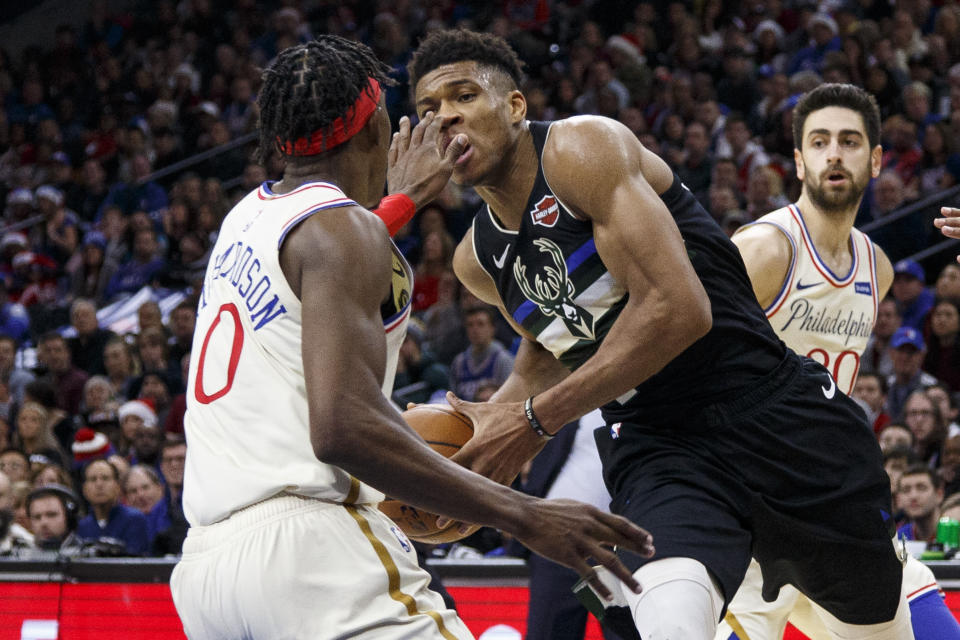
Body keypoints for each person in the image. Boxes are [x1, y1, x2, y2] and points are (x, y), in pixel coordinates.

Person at [410, 32, 909, 639]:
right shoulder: (476, 260)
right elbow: (552, 342)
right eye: (429, 108)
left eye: (463, 95)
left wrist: (534, 421)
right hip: (661, 445)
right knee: (669, 618)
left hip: (776, 415)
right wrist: (478, 454)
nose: (446, 115)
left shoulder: (580, 150)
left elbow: (679, 310)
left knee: (876, 630)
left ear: (515, 106)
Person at [170, 36, 653, 640]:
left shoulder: (248, 216)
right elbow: (342, 427)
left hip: (208, 571)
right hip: (308, 556)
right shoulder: (342, 232)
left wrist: (400, 202)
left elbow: (325, 257)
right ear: (376, 125)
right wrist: (523, 515)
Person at [717, 82, 959, 640]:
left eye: (849, 141)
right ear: (799, 160)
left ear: (875, 160)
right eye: (819, 141)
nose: (833, 153)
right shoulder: (765, 249)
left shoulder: (878, 267)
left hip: (834, 509)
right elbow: (684, 362)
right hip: (751, 520)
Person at [76, 458, 149, 556]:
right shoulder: (82, 526)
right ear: (84, 489)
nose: (99, 484)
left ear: (118, 486)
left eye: (105, 478)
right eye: (93, 479)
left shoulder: (134, 520)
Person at [896, 465, 944, 544]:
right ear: (898, 500)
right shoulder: (899, 538)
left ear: (939, 495)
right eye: (906, 490)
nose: (913, 496)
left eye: (921, 488)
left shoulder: (955, 533)